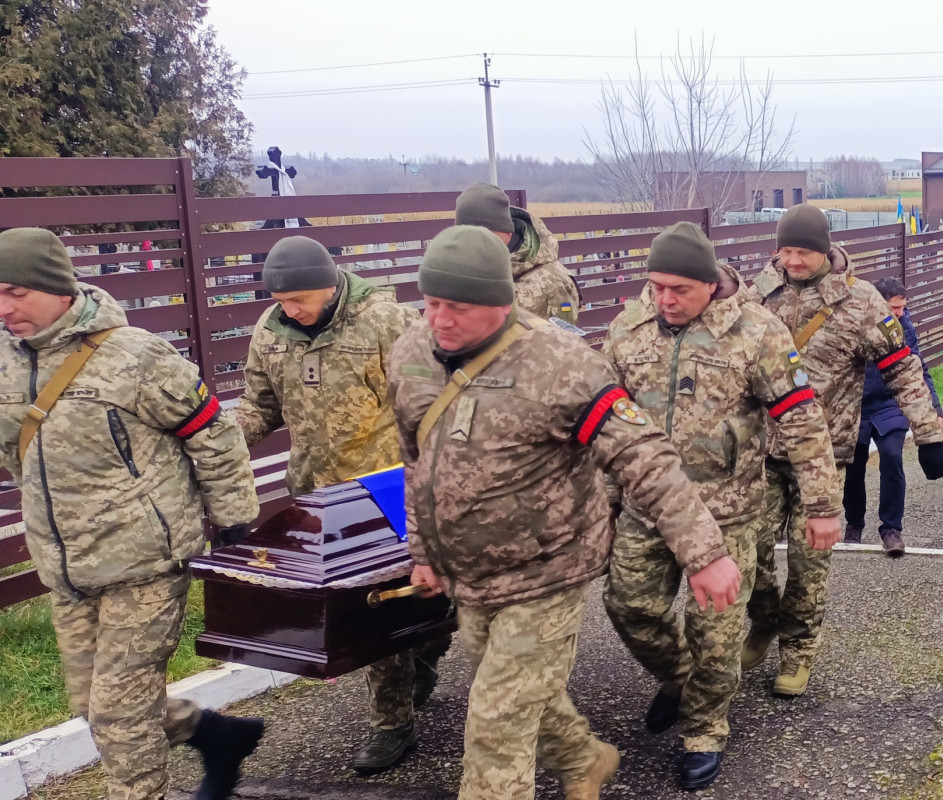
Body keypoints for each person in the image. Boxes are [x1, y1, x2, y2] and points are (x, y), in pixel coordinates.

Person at [390, 226, 739, 800]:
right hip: (469, 574)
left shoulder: (562, 365)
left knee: (495, 720)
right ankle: (584, 761)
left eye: (457, 306)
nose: (440, 320)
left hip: (548, 570)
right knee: (520, 689)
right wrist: (424, 553)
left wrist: (703, 553)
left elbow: (643, 457)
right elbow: (417, 460)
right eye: (430, 303)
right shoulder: (411, 355)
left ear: (500, 302)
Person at [0, 227, 264, 800]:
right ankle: (215, 735)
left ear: (58, 286)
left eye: (16, 291)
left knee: (120, 717)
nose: (4, 307)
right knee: (93, 707)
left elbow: (212, 434)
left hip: (145, 561)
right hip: (68, 570)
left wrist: (235, 522)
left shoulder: (134, 355)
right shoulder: (7, 361)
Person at [602, 222, 840, 790]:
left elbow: (801, 417)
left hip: (727, 510)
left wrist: (822, 503)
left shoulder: (757, 331)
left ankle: (704, 729)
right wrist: (604, 498)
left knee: (716, 633)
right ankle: (679, 680)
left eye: (678, 288)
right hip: (648, 506)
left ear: (709, 284)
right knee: (628, 606)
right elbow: (606, 420)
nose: (664, 299)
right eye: (656, 286)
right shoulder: (627, 329)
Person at [228, 236, 436, 775]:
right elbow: (259, 405)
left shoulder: (385, 321)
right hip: (316, 493)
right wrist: (223, 437)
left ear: (329, 285)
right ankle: (409, 682)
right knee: (355, 608)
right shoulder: (271, 332)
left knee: (384, 601)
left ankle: (394, 719)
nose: (289, 309)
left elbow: (427, 400)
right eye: (280, 300)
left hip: (385, 487)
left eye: (299, 300)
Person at [745, 205, 943, 698]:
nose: (792, 260)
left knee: (808, 559)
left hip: (825, 456)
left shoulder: (861, 301)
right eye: (786, 250)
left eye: (803, 251)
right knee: (746, 550)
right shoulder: (757, 295)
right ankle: (766, 616)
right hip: (762, 450)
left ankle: (798, 650)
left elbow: (903, 367)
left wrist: (928, 435)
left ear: (824, 249)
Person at [846, 277, 942, 552]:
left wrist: (933, 407)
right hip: (856, 404)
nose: (900, 313)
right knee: (853, 467)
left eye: (903, 307)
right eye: (894, 307)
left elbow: (917, 368)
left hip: (891, 401)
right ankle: (854, 523)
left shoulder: (904, 327)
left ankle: (891, 529)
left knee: (891, 456)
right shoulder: (853, 324)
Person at [454, 182, 580, 323]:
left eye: (482, 234)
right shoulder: (456, 272)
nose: (473, 243)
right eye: (465, 235)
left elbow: (563, 341)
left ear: (507, 231)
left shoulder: (553, 282)